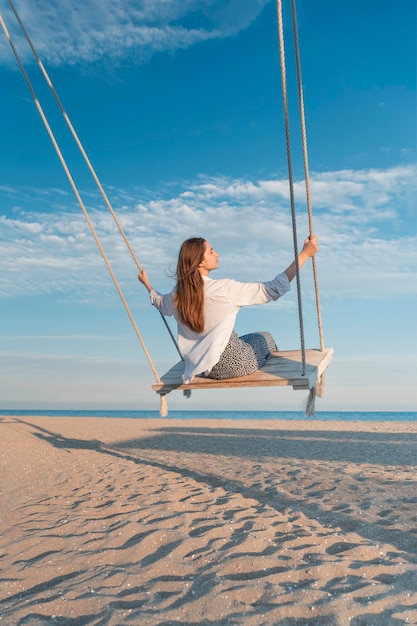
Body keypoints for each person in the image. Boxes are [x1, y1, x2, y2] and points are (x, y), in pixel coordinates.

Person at [138, 235, 318, 383]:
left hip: (202, 369)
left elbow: (160, 303)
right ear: (200, 262)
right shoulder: (223, 289)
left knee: (243, 338)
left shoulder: (178, 294)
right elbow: (272, 289)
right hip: (233, 365)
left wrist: (147, 285)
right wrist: (304, 254)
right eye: (211, 251)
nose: (217, 254)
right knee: (266, 337)